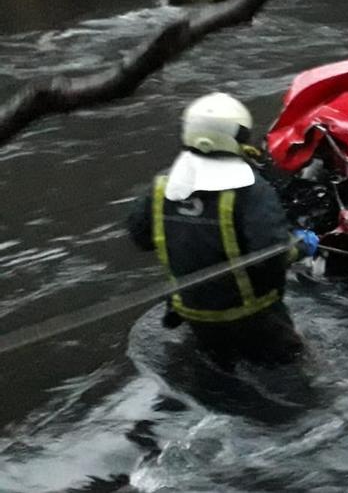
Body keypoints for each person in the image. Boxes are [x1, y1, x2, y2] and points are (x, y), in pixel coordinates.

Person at [128, 92, 320, 368]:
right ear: (236, 136)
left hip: (196, 318)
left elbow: (141, 238)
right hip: (256, 320)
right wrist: (301, 245)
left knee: (218, 368)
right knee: (299, 375)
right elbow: (272, 256)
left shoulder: (161, 187)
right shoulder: (251, 191)